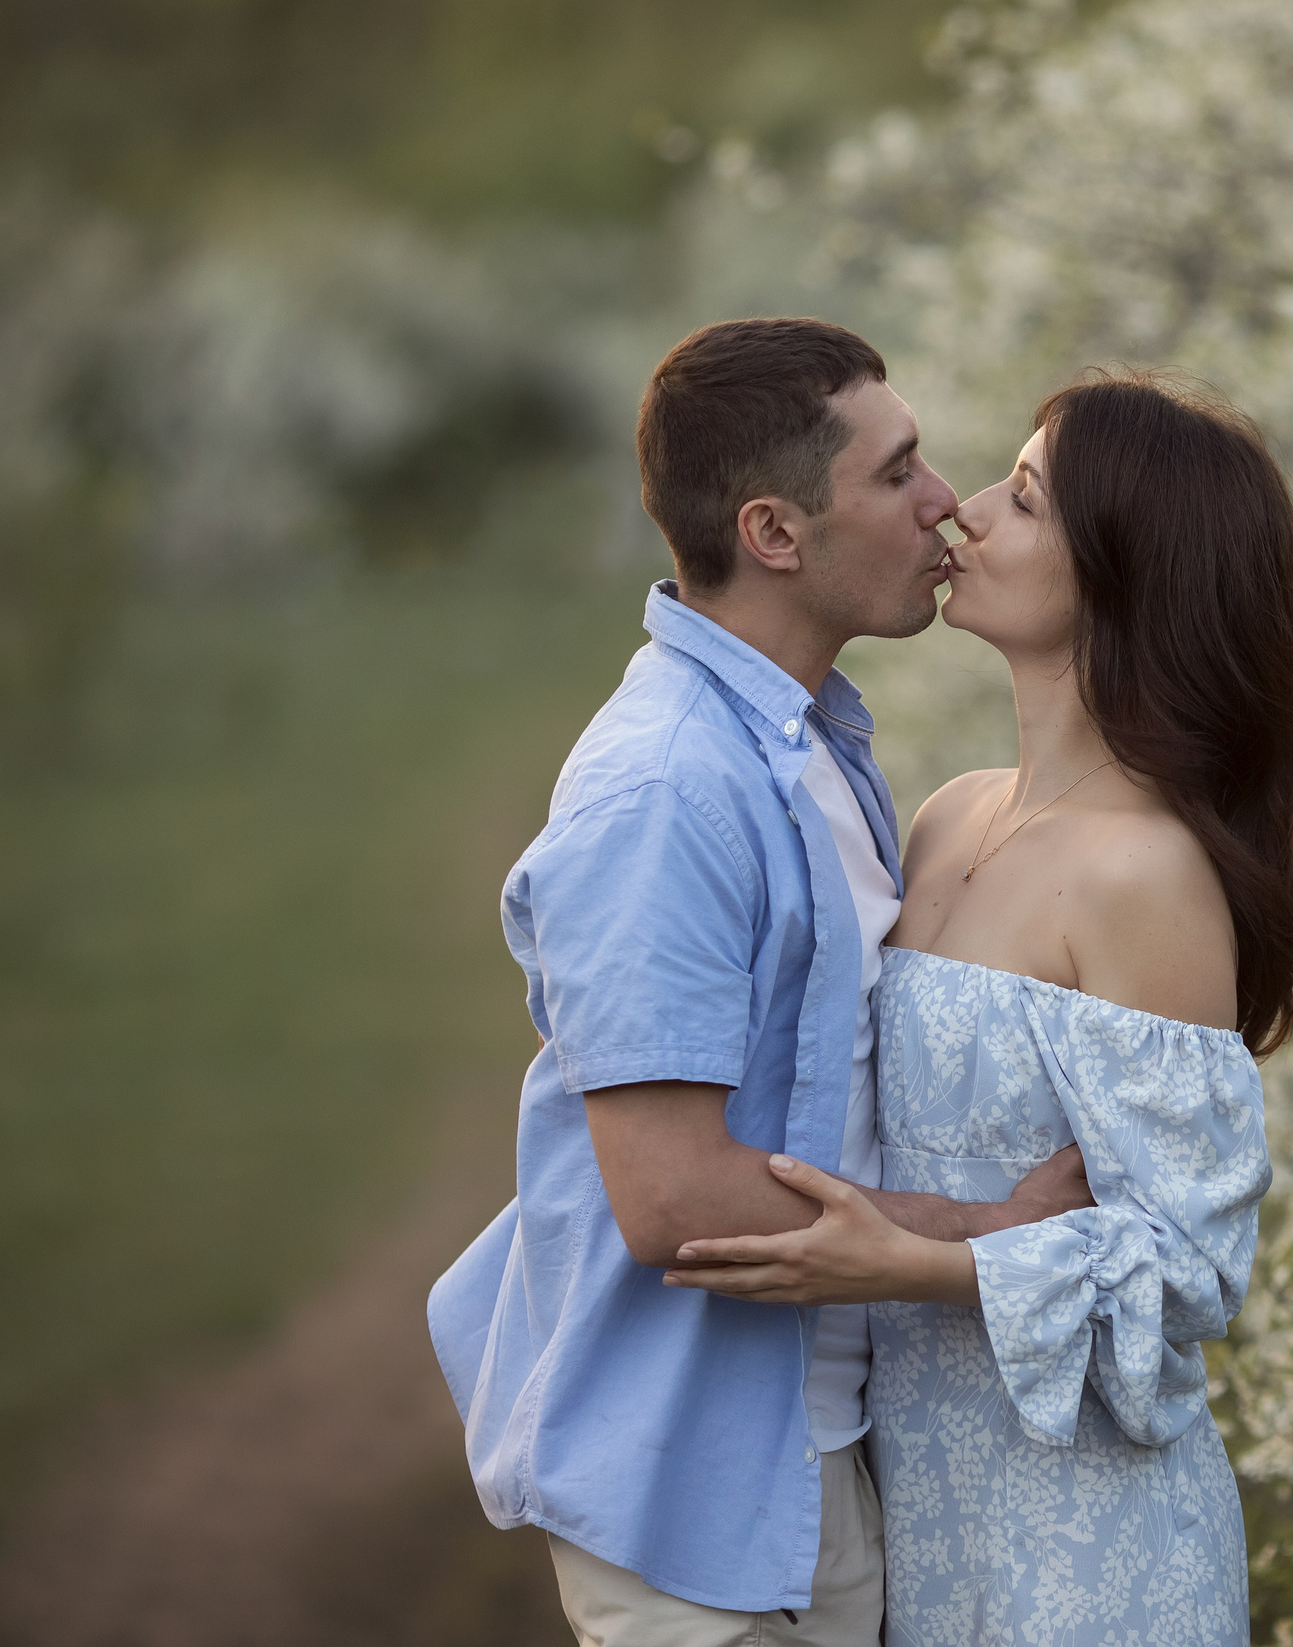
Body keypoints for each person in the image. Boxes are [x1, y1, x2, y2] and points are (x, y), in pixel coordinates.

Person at [427, 316, 1096, 1647]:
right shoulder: (669, 790)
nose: (942, 504)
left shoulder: (812, 740)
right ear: (778, 533)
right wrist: (980, 1231)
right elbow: (675, 1198)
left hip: (809, 1453)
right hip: (691, 1487)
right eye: (897, 471)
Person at [665, 372, 1293, 1646]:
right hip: (915, 1510)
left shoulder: (1144, 874)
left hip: (1090, 1549)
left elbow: (1186, 1269)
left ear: (1122, 574)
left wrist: (908, 1263)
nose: (960, 512)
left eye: (1021, 497)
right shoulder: (945, 814)